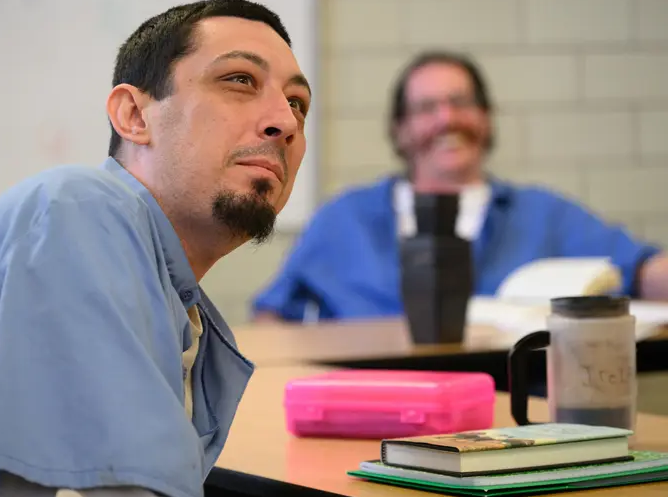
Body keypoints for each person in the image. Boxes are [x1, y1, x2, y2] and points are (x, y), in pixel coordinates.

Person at [0, 0, 310, 497]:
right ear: (134, 115)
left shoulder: (179, 306)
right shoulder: (78, 211)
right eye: (239, 80)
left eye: (298, 103)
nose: (286, 121)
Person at [252, 50, 668, 323]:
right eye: (426, 108)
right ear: (400, 129)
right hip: (373, 415)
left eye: (461, 102)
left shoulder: (545, 215)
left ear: (486, 117)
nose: (447, 119)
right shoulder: (344, 219)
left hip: (515, 415)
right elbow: (270, 317)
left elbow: (643, 271)